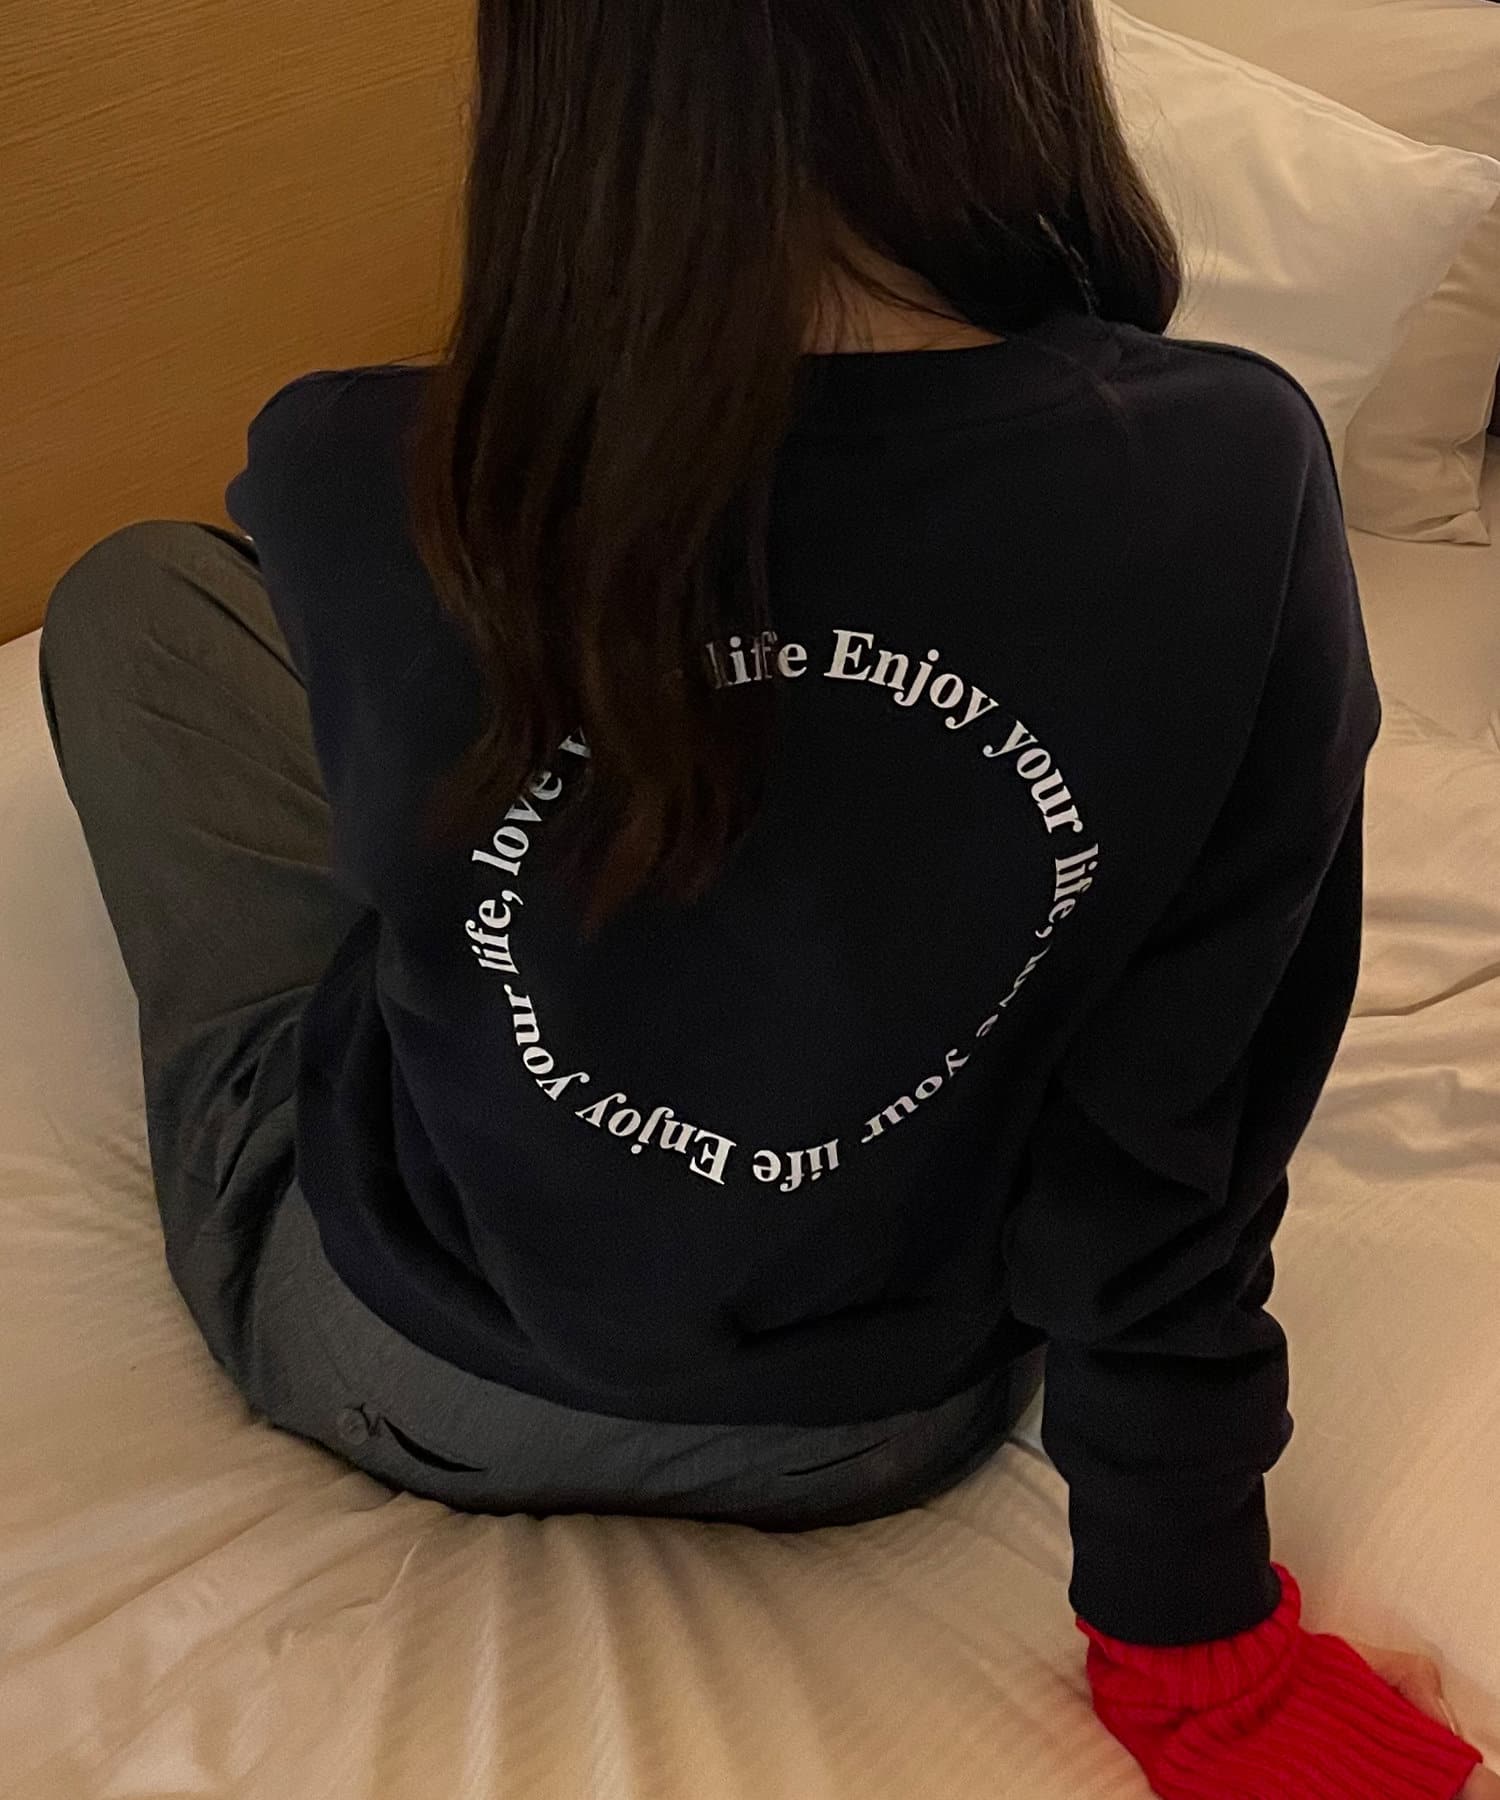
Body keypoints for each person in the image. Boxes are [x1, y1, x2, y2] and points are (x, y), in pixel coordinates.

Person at [38, 2, 1495, 1794]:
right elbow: (1184, 1128)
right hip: (886, 1411)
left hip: (414, 1366)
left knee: (140, 598)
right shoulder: (1232, 476)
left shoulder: (356, 468)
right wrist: (1194, 1643)